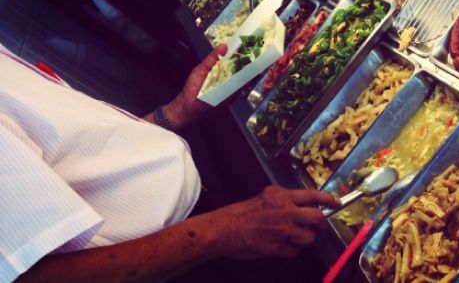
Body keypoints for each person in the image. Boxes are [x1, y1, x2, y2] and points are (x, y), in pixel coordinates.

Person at [0, 42, 339, 283]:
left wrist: (175, 112)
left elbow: (77, 157)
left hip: (196, 225)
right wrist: (228, 230)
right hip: (181, 262)